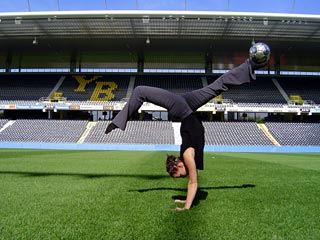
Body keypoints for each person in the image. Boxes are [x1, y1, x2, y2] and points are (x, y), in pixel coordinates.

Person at [105, 54, 268, 211]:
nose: (182, 178)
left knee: (140, 91)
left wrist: (186, 206)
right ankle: (251, 66)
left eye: (179, 176)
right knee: (217, 86)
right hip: (186, 110)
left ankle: (251, 65)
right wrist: (186, 199)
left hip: (182, 109)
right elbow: (192, 183)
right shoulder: (186, 156)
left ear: (179, 165)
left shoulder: (188, 157)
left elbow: (193, 183)